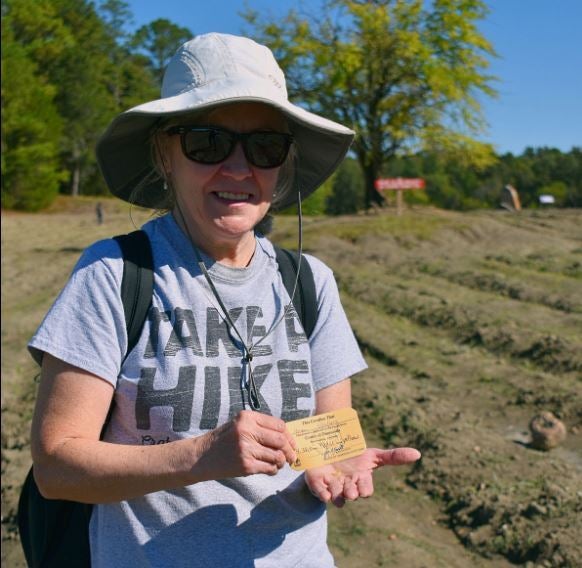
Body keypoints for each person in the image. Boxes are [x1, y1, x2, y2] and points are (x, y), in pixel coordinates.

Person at [29, 33, 420, 567]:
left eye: (264, 147)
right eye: (208, 143)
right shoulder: (115, 274)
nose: (238, 168)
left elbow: (327, 435)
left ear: (282, 165)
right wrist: (199, 456)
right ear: (165, 153)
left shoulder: (310, 282)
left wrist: (335, 464)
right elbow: (56, 467)